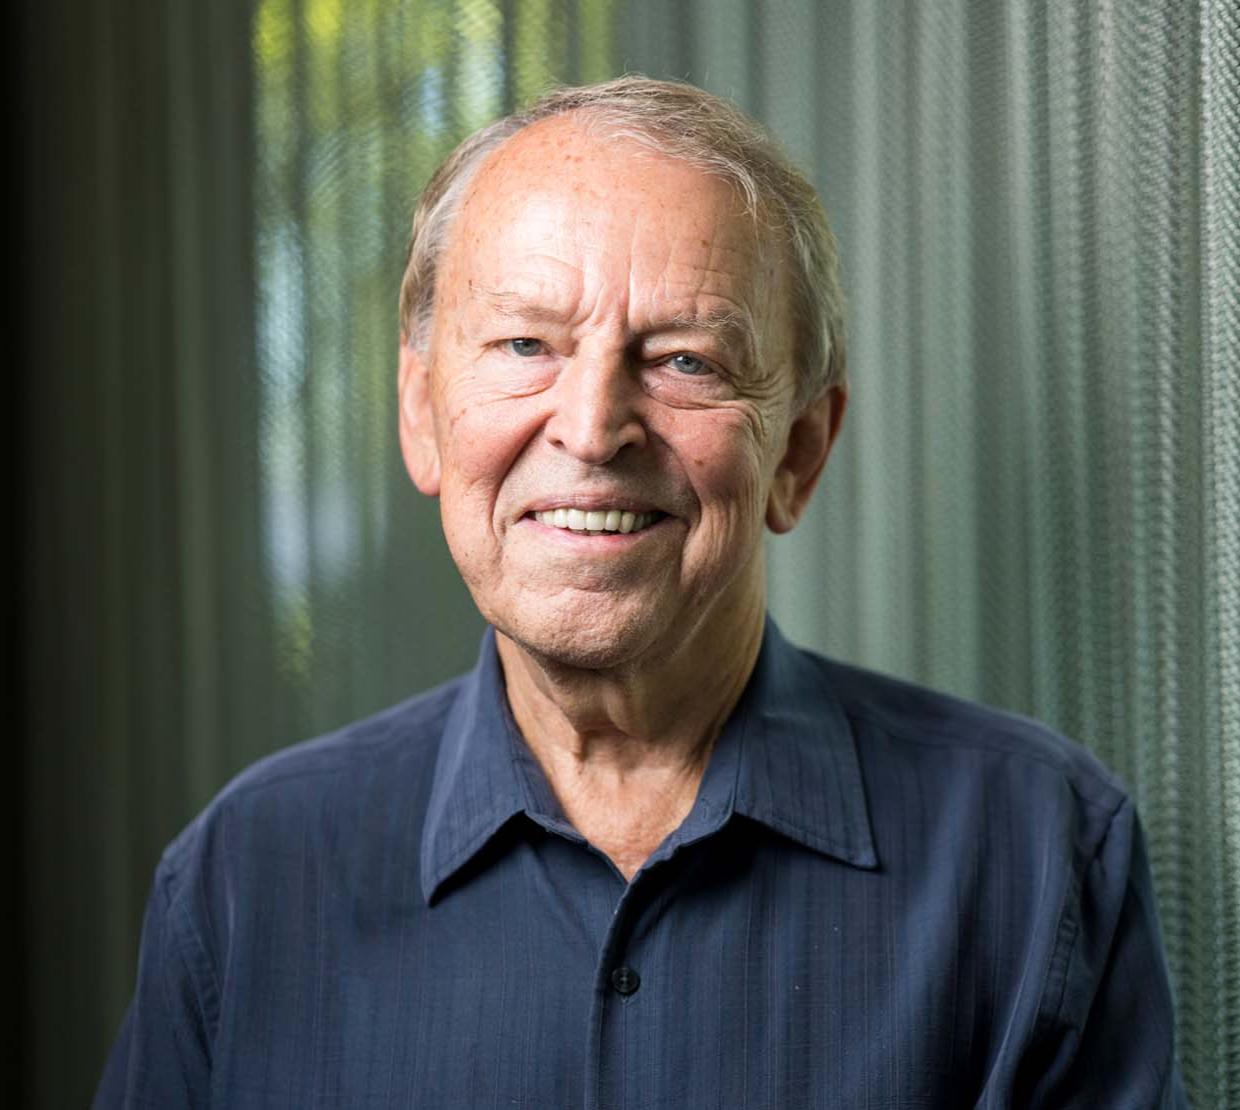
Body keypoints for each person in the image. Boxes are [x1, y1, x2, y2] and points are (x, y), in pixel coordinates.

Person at [97, 76, 1186, 1108]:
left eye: (684, 362)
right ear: (421, 417)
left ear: (798, 454)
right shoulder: (243, 883)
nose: (590, 426)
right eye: (526, 344)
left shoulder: (1040, 854)